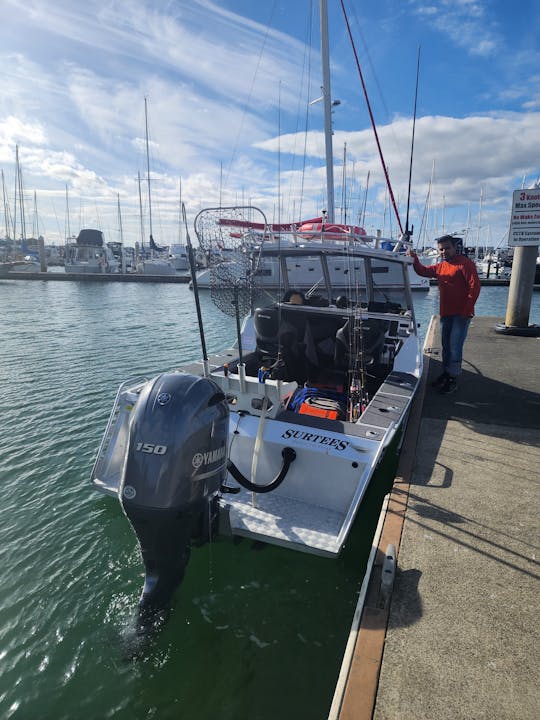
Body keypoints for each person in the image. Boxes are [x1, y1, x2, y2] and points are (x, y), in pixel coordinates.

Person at [407, 235, 481, 394]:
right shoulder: (441, 266)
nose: (444, 251)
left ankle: (453, 379)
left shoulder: (465, 264)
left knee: (455, 347)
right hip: (446, 313)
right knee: (446, 347)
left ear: (454, 247)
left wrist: (467, 310)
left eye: (447, 248)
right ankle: (447, 373)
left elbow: (475, 287)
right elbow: (422, 271)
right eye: (441, 249)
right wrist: (414, 258)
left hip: (461, 315)